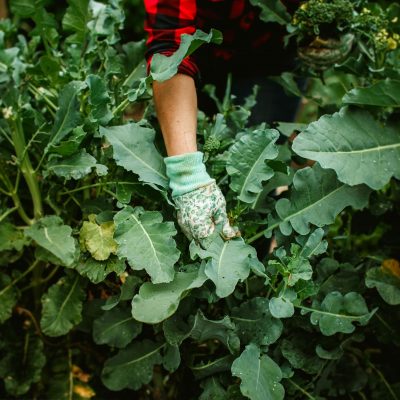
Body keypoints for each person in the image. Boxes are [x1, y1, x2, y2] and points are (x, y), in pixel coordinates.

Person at [143, 0, 300, 245]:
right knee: (171, 176)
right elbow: (170, 50)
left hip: (271, 57)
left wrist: (326, 31)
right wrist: (187, 175)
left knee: (255, 186)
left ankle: (248, 266)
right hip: (196, 50)